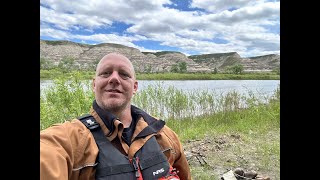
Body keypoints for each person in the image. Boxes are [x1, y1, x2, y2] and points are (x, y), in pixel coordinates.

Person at [40, 52, 191, 180]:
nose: (114, 79)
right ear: (94, 85)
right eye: (105, 73)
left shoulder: (166, 136)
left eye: (124, 75)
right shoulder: (70, 139)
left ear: (135, 87)